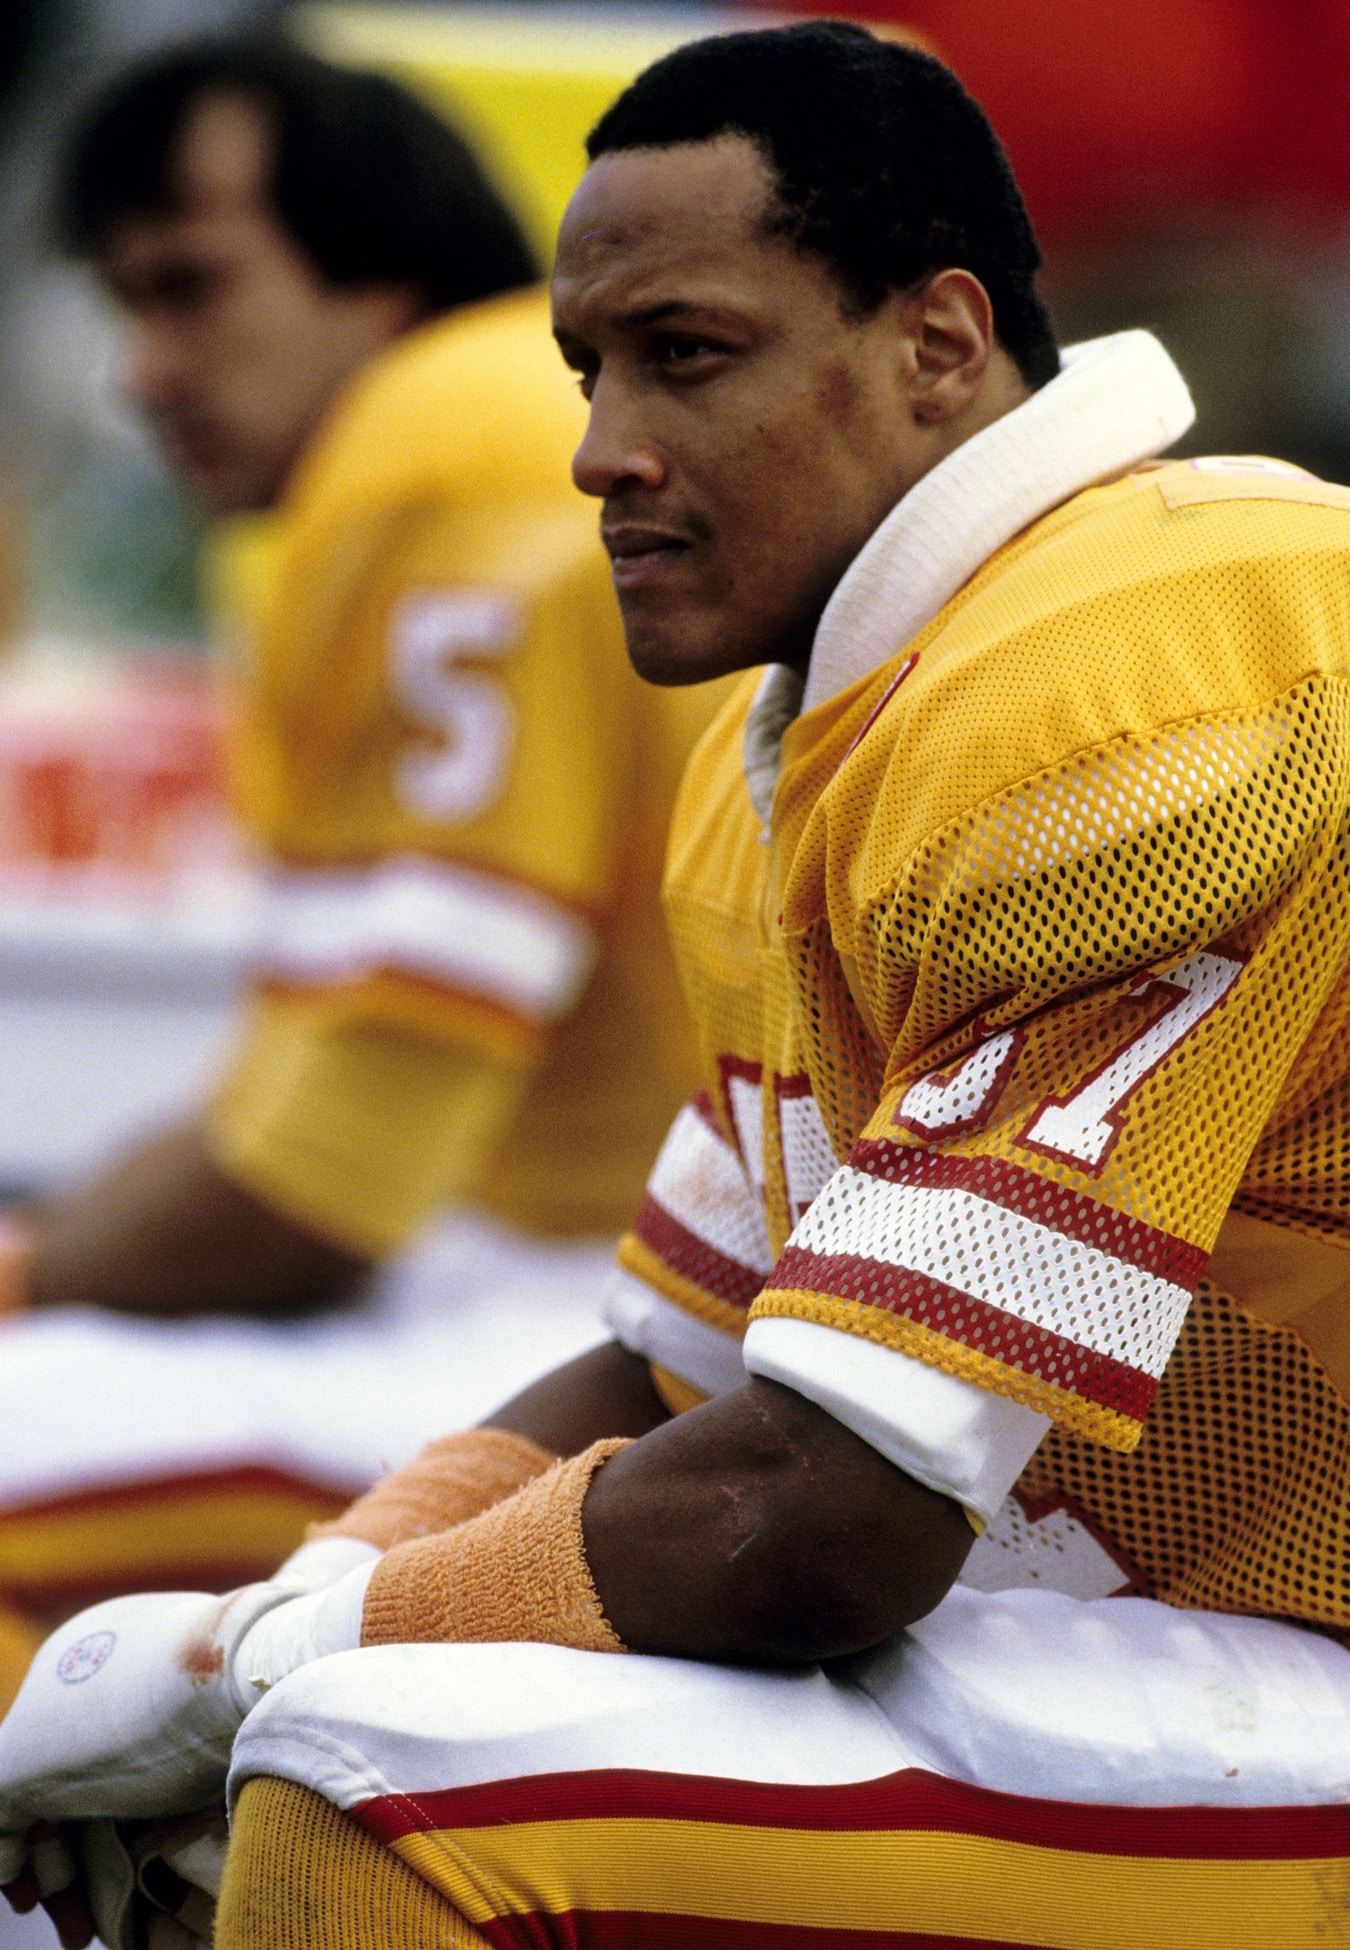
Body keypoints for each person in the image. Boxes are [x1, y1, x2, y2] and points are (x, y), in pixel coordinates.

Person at [5, 20, 1350, 1948]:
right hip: (1126, 1599)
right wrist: (315, 1587)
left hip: (1269, 1627)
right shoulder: (812, 730)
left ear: (937, 346)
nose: (593, 450)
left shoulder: (1138, 667)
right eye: (588, 367)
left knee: (376, 1791)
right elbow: (678, 1361)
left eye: (685, 355)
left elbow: (831, 1517)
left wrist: (274, 1650)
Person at [0, 39, 725, 1690]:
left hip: (599, 1309)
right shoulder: (478, 431)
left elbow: (323, 1182)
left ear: (377, 274)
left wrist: (29, 1271)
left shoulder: (446, 449)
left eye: (191, 289)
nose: (143, 367)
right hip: (630, 1269)